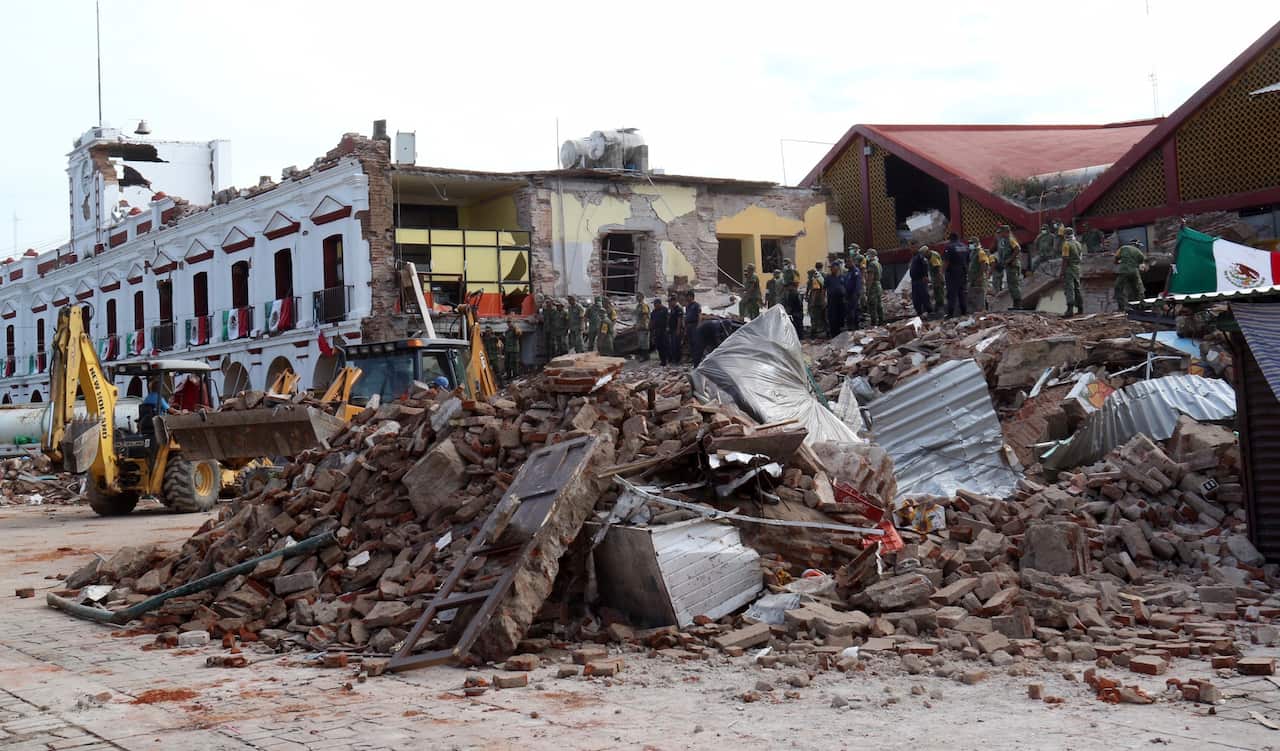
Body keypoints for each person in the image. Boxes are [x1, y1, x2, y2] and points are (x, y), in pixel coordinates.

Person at [942, 232, 970, 317]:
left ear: (950, 239)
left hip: (952, 273)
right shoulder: (965, 247)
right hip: (963, 272)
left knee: (951, 293)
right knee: (962, 292)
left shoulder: (949, 247)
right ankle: (964, 312)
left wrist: (942, 272)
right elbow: (968, 261)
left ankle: (950, 313)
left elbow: (946, 261)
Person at [995, 225, 1023, 308]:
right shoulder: (1002, 241)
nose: (1000, 234)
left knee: (1014, 284)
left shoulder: (1011, 240)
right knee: (1011, 285)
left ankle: (1018, 304)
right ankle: (1015, 303)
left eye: (1001, 232)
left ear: (1006, 232)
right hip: (1008, 266)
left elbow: (1017, 249)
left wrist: (1010, 259)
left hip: (1013, 265)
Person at [1114, 241, 1147, 310]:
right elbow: (1142, 266)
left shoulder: (1123, 248)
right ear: (1137, 246)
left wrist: (1117, 262)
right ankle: (1142, 304)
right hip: (1134, 272)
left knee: (1118, 288)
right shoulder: (1140, 253)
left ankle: (1122, 307)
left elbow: (1116, 257)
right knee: (1139, 287)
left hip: (1124, 271)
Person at [1060, 227, 1085, 317]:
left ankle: (1069, 310)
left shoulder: (1066, 244)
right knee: (1077, 288)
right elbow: (1081, 257)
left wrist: (1062, 272)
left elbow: (1065, 259)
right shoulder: (1078, 244)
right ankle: (1080, 308)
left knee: (1069, 288)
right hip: (1077, 268)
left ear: (1065, 235)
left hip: (1069, 269)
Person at [966, 235, 991, 313]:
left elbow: (984, 264)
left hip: (978, 278)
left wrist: (980, 276)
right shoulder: (973, 252)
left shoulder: (980, 252)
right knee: (973, 295)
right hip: (973, 278)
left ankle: (982, 312)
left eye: (971, 243)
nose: (970, 244)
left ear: (976, 243)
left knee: (980, 295)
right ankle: (976, 312)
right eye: (969, 243)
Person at [824, 259, 847, 337]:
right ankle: (833, 333)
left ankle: (840, 331)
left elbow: (845, 287)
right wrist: (824, 299)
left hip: (841, 300)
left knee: (841, 316)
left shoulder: (842, 277)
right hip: (832, 300)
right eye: (831, 267)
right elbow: (824, 289)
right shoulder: (828, 278)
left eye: (832, 267)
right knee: (832, 316)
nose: (831, 269)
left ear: (837, 267)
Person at [909, 245, 933, 317]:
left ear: (917, 248)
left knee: (924, 296)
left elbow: (925, 265)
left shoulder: (920, 257)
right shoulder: (914, 258)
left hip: (920, 280)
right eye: (911, 248)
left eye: (913, 247)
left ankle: (929, 311)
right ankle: (919, 312)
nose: (912, 249)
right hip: (914, 281)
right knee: (916, 298)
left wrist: (925, 276)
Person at [807, 263, 827, 338]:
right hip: (822, 301)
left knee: (815, 317)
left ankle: (816, 333)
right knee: (822, 317)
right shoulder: (821, 277)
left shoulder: (815, 279)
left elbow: (815, 291)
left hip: (817, 302)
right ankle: (824, 331)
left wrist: (812, 302)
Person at [864, 249, 884, 326]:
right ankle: (881, 321)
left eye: (867, 255)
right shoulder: (878, 264)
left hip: (873, 287)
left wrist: (867, 288)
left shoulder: (872, 264)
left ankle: (874, 323)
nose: (866, 256)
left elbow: (870, 278)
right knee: (879, 305)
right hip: (878, 285)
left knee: (873, 305)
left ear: (871, 255)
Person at [844, 253, 863, 331]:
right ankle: (850, 326)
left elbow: (857, 284)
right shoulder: (848, 272)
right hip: (848, 294)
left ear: (853, 262)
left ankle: (855, 327)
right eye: (847, 262)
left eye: (849, 262)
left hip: (853, 294)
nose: (847, 263)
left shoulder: (856, 271)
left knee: (854, 311)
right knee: (849, 311)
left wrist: (856, 294)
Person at [683, 291, 702, 362]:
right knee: (690, 342)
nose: (686, 298)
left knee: (695, 342)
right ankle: (692, 357)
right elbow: (686, 316)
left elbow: (699, 315)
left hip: (694, 325)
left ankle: (697, 358)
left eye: (687, 296)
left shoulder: (696, 305)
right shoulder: (688, 306)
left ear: (691, 296)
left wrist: (699, 325)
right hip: (688, 326)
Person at [927, 245, 946, 315]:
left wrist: (938, 280)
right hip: (935, 278)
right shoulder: (932, 254)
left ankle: (941, 310)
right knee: (937, 293)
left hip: (937, 278)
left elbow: (938, 269)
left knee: (939, 293)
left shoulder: (933, 257)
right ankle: (938, 308)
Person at [650, 298, 670, 365]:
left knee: (665, 345)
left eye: (656, 304)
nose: (655, 305)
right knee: (659, 346)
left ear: (659, 303)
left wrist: (667, 327)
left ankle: (667, 359)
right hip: (657, 330)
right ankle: (662, 360)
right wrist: (652, 331)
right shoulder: (654, 312)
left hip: (663, 330)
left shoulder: (665, 310)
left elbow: (668, 319)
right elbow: (652, 321)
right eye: (654, 304)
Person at [667, 293, 684, 364]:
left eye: (670, 301)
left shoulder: (678, 308)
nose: (669, 303)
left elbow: (679, 319)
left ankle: (677, 359)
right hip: (671, 329)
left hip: (676, 329)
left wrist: (678, 329)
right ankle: (673, 358)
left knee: (676, 344)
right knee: (672, 345)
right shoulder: (672, 309)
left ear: (674, 300)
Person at [633, 294, 651, 360]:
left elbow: (645, 315)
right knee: (640, 342)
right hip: (639, 325)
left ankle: (646, 356)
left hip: (643, 326)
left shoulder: (644, 305)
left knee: (644, 342)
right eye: (637, 297)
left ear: (643, 297)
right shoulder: (638, 306)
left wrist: (643, 325)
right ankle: (641, 355)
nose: (638, 298)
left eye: (639, 297)